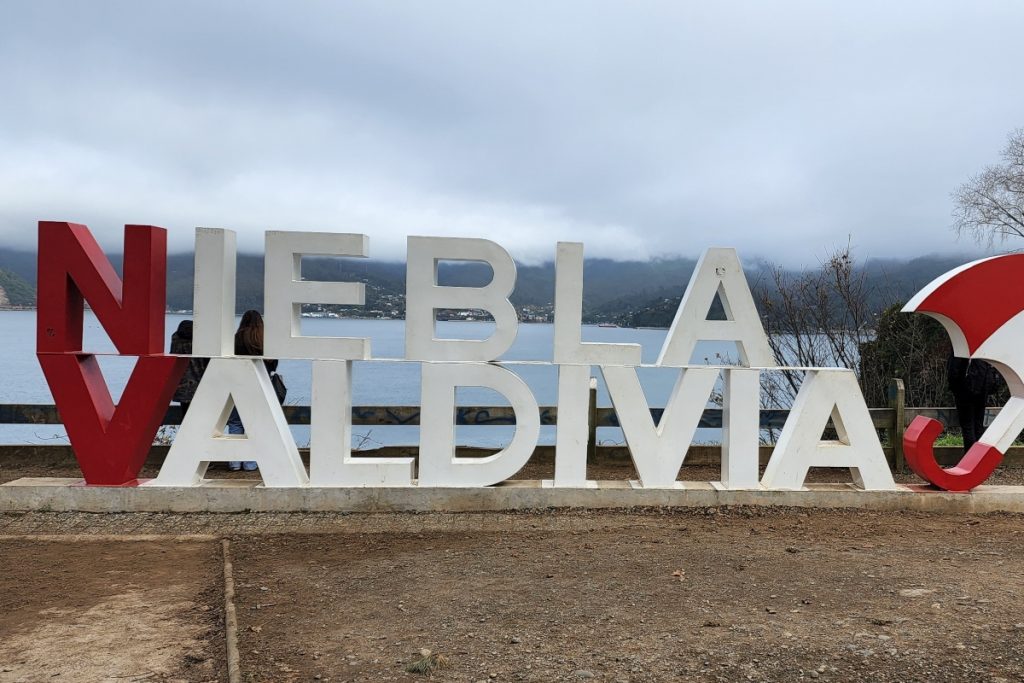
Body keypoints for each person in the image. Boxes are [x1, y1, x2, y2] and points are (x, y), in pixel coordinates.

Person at [227, 310, 279, 472]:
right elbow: (273, 365)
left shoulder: (235, 339)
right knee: (254, 422)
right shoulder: (265, 341)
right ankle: (250, 463)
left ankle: (235, 462)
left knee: (235, 421)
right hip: (260, 385)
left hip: (237, 384)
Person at [947, 353, 1002, 454]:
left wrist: (956, 389)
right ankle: (979, 459)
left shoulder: (961, 346)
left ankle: (970, 459)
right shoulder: (984, 348)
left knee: (968, 426)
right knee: (978, 427)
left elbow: (953, 371)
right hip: (982, 390)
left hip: (965, 391)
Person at [169, 320, 208, 418]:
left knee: (185, 414)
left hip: (182, 383)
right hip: (199, 382)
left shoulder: (175, 340)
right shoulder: (199, 342)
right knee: (201, 414)